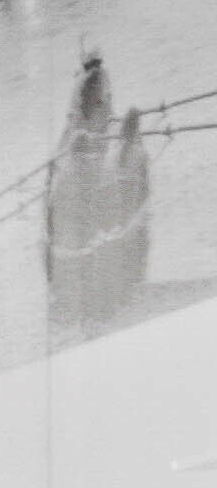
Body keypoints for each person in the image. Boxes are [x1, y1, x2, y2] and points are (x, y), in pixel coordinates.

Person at [45, 40, 153, 340]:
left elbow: (93, 111)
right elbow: (91, 111)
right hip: (91, 136)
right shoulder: (94, 80)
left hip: (90, 136)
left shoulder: (87, 80)